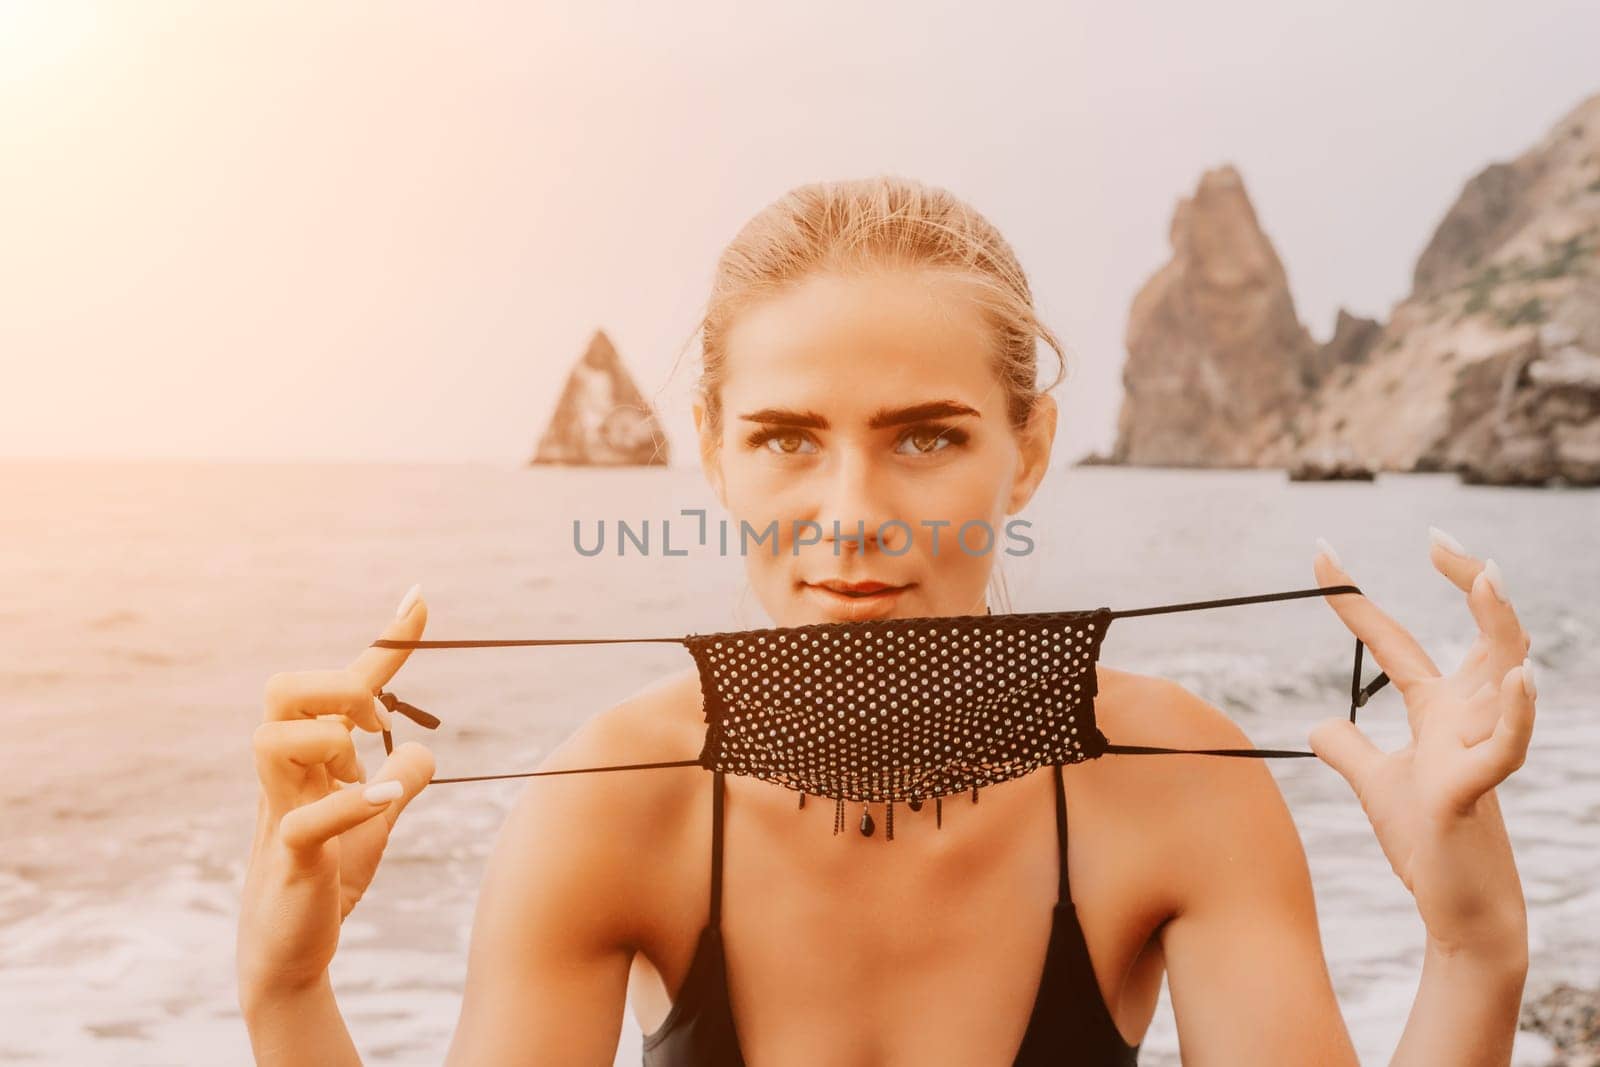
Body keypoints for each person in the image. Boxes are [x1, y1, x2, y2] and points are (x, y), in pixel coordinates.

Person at [237, 177, 1537, 1065]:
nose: (852, 513)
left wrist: (1474, 944)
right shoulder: (610, 806)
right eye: (787, 439)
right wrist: (288, 989)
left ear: (1025, 454)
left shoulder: (1178, 796)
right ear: (712, 453)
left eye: (926, 437)